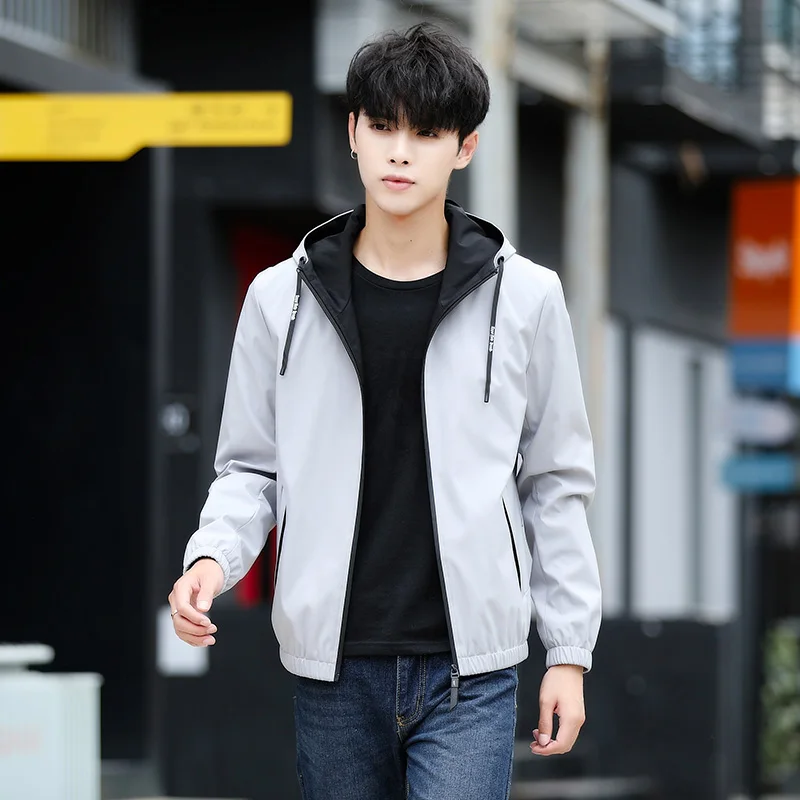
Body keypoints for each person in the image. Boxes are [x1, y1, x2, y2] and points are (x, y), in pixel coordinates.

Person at [168, 22, 602, 800]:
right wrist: (212, 559)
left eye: (427, 133)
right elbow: (251, 467)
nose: (401, 152)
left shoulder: (527, 298)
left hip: (470, 673)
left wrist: (567, 651)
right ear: (353, 133)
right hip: (333, 668)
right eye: (382, 127)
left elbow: (555, 482)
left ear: (465, 148)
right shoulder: (281, 297)